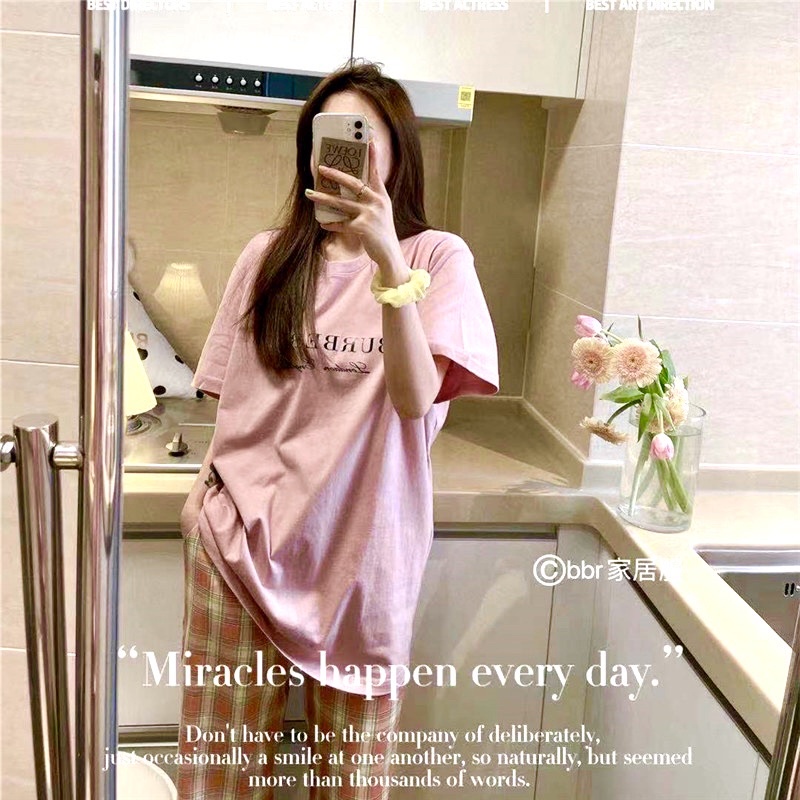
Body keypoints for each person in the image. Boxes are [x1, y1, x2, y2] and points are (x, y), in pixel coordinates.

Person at [176, 59, 499, 799]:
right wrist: (201, 503)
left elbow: (415, 400)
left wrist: (386, 255)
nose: (340, 157)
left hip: (364, 569)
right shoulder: (267, 258)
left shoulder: (436, 258)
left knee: (350, 786)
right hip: (239, 552)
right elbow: (233, 402)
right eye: (326, 138)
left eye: (361, 138)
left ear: (396, 152)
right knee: (218, 783)